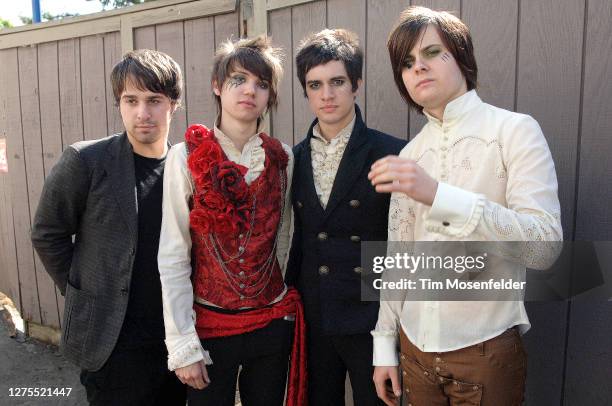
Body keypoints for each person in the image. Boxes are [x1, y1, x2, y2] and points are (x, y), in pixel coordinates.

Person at [369, 6, 563, 406]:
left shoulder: (513, 131)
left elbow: (544, 246)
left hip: (485, 352)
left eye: (432, 52)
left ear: (461, 56)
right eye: (406, 63)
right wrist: (384, 346)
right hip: (415, 354)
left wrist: (440, 197)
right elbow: (398, 260)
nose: (418, 67)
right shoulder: (410, 154)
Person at [31, 49, 186, 405]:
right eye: (131, 100)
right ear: (119, 103)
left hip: (175, 340)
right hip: (112, 343)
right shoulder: (87, 160)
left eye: (154, 100)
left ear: (173, 104)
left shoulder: (187, 168)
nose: (142, 113)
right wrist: (81, 291)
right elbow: (46, 232)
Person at [157, 35, 305, 406]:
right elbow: (173, 253)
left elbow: (282, 239)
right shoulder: (184, 156)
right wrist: (182, 343)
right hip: (209, 327)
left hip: (270, 325)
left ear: (270, 96)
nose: (250, 91)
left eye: (262, 84)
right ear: (217, 86)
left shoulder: (282, 157)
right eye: (239, 80)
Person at [286, 29, 406, 405]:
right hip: (315, 315)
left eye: (337, 81)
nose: (327, 94)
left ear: (356, 84)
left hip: (372, 318)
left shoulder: (393, 152)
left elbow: (405, 242)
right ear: (305, 91)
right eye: (315, 84)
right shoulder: (292, 159)